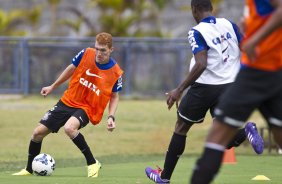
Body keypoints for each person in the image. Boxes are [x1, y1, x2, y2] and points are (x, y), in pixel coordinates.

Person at [145, 0, 265, 183]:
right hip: (229, 85)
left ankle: (164, 177)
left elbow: (201, 63)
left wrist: (179, 89)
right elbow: (247, 49)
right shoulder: (229, 24)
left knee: (181, 128)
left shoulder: (196, 31)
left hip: (205, 87)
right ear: (212, 8)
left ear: (194, 10)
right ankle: (246, 131)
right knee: (221, 137)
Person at [190, 0, 282, 183]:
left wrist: (254, 39)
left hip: (259, 70)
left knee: (217, 136)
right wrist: (248, 24)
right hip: (267, 70)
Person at [12, 32, 123, 177]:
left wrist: (111, 117)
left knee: (69, 128)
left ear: (111, 50)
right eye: (97, 48)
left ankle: (92, 163)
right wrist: (52, 86)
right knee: (37, 133)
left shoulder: (116, 72)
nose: (98, 53)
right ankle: (28, 169)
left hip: (88, 107)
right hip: (68, 101)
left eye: (103, 50)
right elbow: (70, 69)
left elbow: (114, 96)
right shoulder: (85, 53)